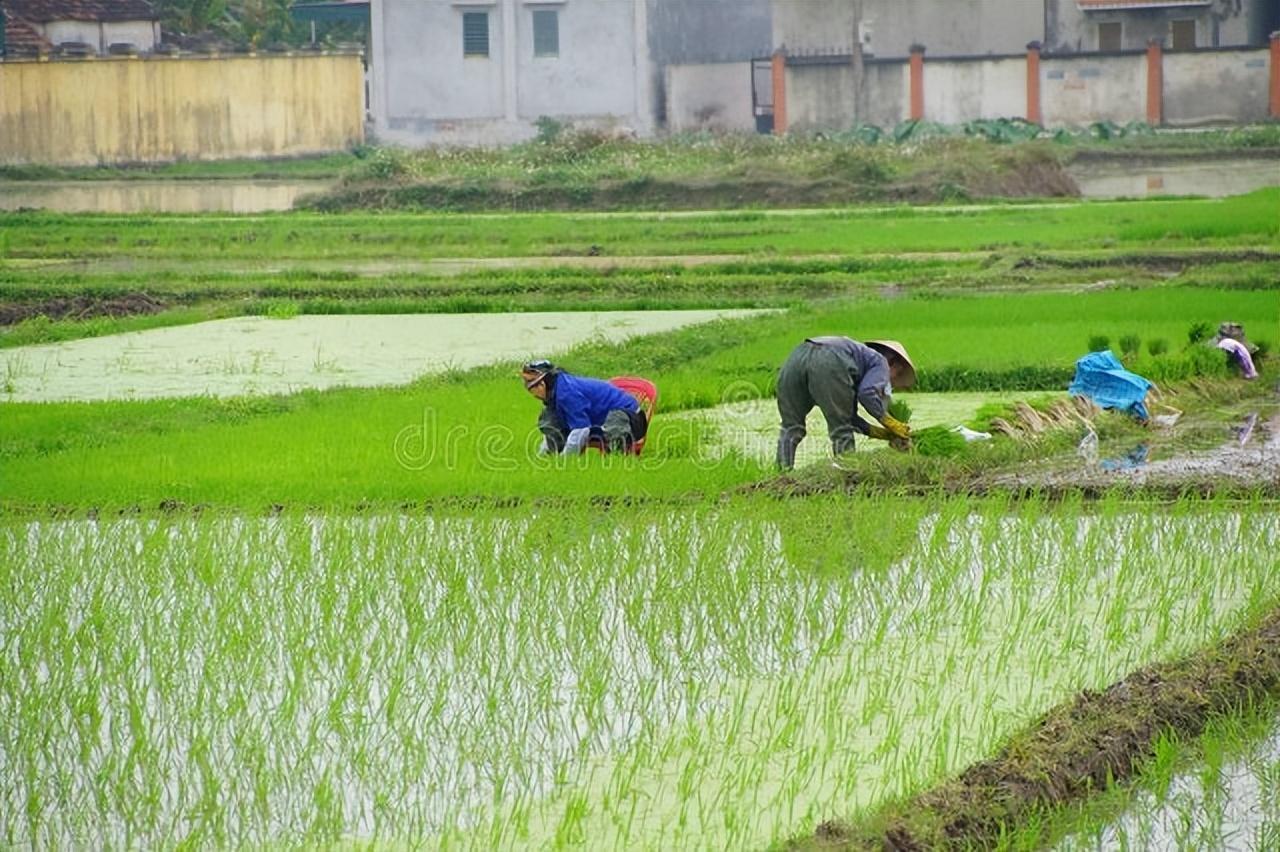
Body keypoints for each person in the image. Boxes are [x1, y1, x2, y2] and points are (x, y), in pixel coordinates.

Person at [775, 337, 916, 469]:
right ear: (893, 362)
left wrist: (881, 433)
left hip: (795, 359)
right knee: (841, 431)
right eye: (897, 374)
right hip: (829, 360)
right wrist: (889, 422)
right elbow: (867, 394)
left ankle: (781, 473)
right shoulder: (881, 362)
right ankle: (847, 476)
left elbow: (850, 418)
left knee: (791, 428)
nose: (888, 380)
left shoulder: (857, 362)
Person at [521, 360, 648, 456]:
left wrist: (565, 461)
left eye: (531, 388)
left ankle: (617, 459)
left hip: (630, 418)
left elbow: (580, 429)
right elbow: (552, 428)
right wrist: (543, 455)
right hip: (601, 418)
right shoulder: (556, 392)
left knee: (615, 427)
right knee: (549, 418)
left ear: (542, 384)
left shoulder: (567, 393)